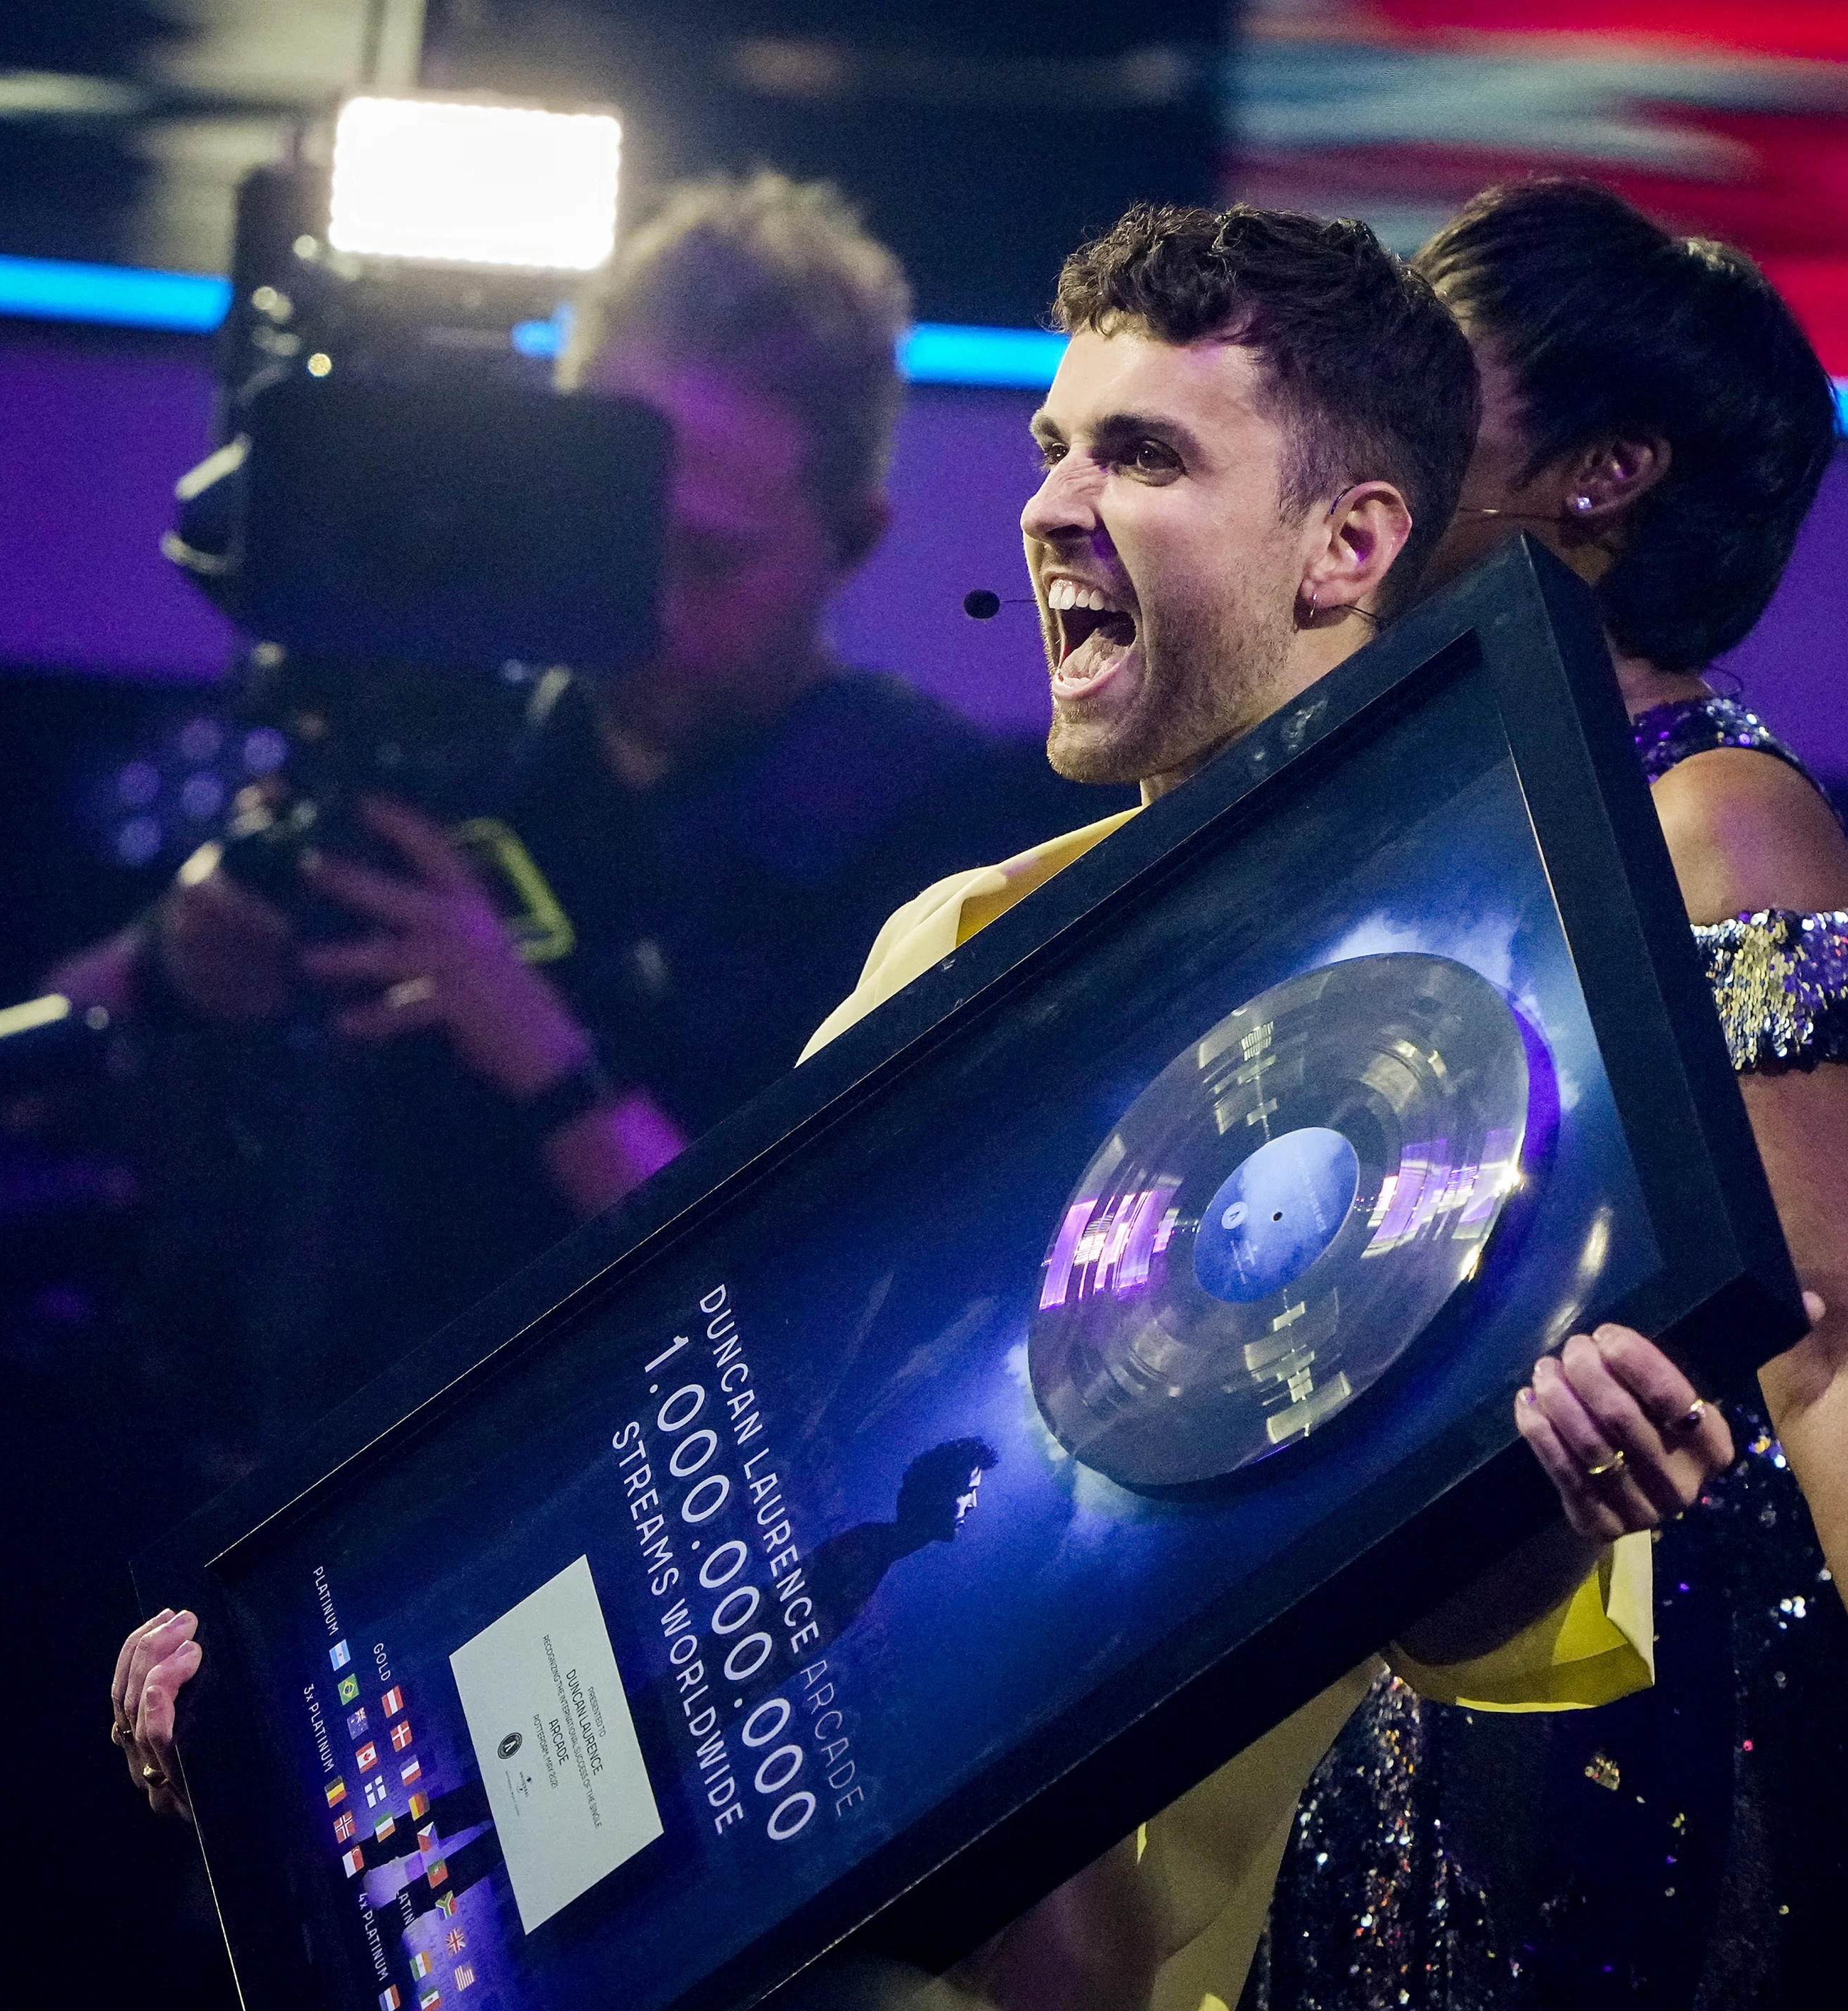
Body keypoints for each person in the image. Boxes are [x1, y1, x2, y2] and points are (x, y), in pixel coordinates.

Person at [110, 205, 1747, 2007]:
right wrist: (300, 1718)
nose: (1054, 504)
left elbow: (1463, 1633)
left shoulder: (1514, 1014)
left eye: (1142, 456)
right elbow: (678, 1453)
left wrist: (1559, 1485)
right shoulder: (956, 938)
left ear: (1350, 542)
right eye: (1056, 446)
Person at [1257, 180, 1848, 2011]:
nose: (1376, 415)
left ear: (1603, 471)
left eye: (1440, 376)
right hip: (1383, 1609)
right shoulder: (1395, 772)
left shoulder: (1717, 822)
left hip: (1612, 1655)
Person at [54, 171, 1086, 1460]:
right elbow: (63, 1040)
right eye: (614, 533)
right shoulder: (446, 750)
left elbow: (816, 1306)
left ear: (854, 536)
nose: (652, 605)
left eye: (713, 556)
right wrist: (181, 965)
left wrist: (543, 1056)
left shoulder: (945, 843)